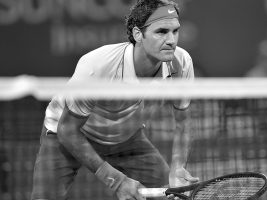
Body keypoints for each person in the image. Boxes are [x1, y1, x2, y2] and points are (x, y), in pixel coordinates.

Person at [31, 0, 199, 199]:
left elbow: (184, 122)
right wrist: (116, 180)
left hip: (125, 137)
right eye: (162, 32)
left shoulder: (181, 62)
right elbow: (68, 130)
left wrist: (178, 166)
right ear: (138, 34)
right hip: (68, 133)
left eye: (175, 31)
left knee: (170, 194)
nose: (172, 40)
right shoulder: (98, 66)